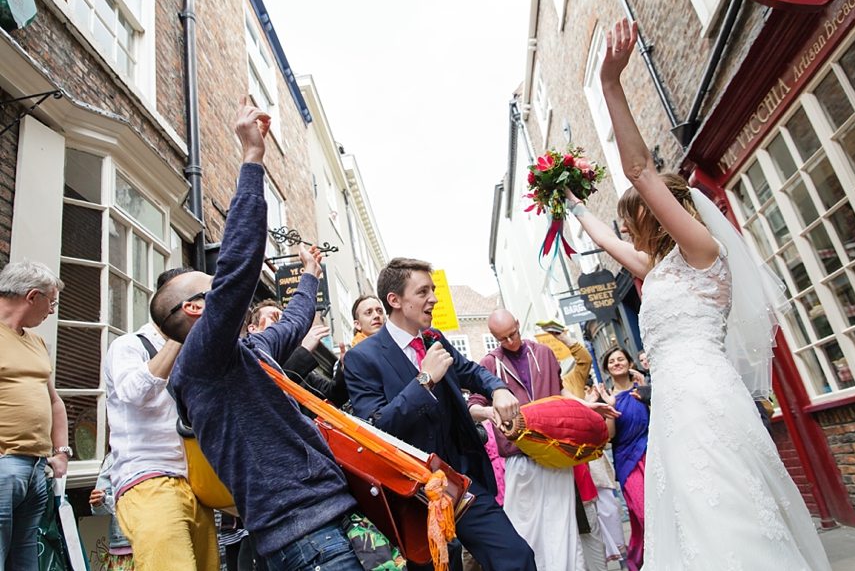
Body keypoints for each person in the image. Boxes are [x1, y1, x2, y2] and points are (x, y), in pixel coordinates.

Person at [569, 19, 829, 569]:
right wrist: (568, 201)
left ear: (659, 213)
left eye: (634, 216)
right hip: (673, 402)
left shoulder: (702, 251)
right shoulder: (658, 268)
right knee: (692, 513)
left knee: (728, 507)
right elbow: (603, 238)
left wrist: (611, 84)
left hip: (705, 394)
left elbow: (639, 169)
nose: (627, 227)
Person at [157, 99, 368, 570]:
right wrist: (252, 158)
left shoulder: (247, 352)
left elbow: (293, 323)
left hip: (332, 514)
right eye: (211, 289)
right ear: (196, 309)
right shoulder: (200, 362)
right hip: (305, 534)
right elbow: (238, 268)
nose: (223, 291)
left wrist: (310, 273)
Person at [344, 258, 537, 571]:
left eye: (432, 290)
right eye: (423, 292)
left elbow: (471, 371)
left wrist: (499, 390)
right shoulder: (361, 358)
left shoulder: (433, 338)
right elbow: (376, 427)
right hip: (412, 496)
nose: (433, 298)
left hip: (461, 482)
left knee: (516, 556)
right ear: (395, 300)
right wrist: (424, 381)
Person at [467, 310, 613, 571]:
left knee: (563, 529)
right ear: (493, 337)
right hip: (519, 456)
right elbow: (472, 407)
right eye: (502, 339)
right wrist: (490, 412)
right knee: (524, 530)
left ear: (518, 324)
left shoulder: (544, 353)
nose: (510, 341)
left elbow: (561, 391)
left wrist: (586, 406)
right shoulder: (488, 363)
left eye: (513, 334)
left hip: (553, 451)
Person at [103, 265, 218, 571]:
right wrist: (179, 334)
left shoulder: (195, 353)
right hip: (149, 480)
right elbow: (132, 392)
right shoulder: (128, 345)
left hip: (195, 484)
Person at [0, 260, 69, 570]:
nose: (51, 311)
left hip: (37, 468)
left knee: (27, 556)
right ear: (32, 296)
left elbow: (53, 401)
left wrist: (61, 452)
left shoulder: (37, 342)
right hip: (5, 463)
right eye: (51, 302)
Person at [590, 347, 648, 571]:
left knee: (660, 506)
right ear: (607, 369)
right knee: (642, 511)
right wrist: (610, 407)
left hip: (651, 452)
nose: (616, 363)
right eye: (611, 361)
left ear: (630, 363)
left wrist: (645, 391)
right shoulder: (607, 398)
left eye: (621, 359)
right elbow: (610, 436)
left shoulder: (642, 389)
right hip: (627, 460)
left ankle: (646, 556)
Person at [90, 454, 134, 570]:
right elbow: (100, 510)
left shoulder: (162, 452)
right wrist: (99, 501)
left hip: (157, 544)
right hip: (123, 547)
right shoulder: (113, 458)